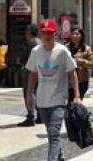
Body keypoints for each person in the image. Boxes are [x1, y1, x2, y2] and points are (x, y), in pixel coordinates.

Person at [26, 19, 80, 161]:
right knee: (51, 133)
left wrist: (77, 95)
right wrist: (28, 94)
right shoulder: (35, 51)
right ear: (40, 34)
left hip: (59, 99)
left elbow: (72, 72)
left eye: (50, 33)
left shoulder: (62, 51)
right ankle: (60, 156)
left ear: (55, 34)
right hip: (42, 101)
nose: (47, 36)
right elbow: (32, 73)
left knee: (54, 132)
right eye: (44, 33)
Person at [18, 24, 43, 127]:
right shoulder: (40, 42)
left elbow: (25, 57)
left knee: (29, 92)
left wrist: (20, 61)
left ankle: (30, 116)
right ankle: (40, 115)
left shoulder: (31, 42)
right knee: (37, 92)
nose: (25, 33)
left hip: (30, 70)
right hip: (40, 70)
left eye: (27, 31)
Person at [67, 27, 93, 103]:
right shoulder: (66, 47)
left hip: (82, 80)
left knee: (77, 102)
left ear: (81, 36)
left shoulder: (86, 48)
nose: (74, 36)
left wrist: (81, 61)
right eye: (72, 34)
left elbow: (91, 64)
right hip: (69, 80)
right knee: (69, 102)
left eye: (77, 34)